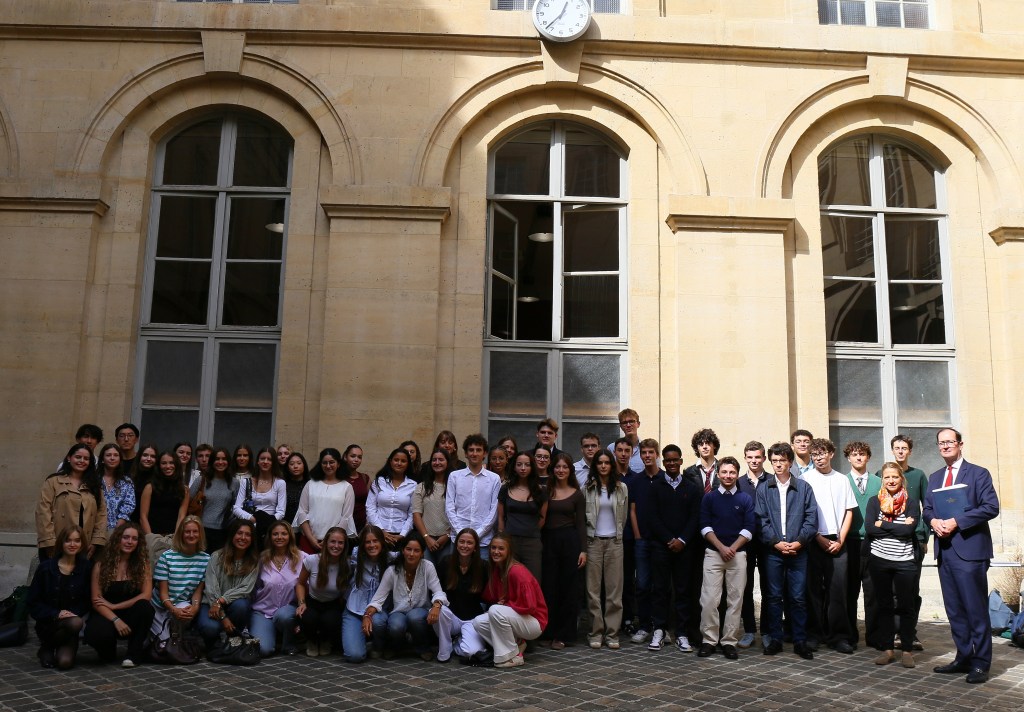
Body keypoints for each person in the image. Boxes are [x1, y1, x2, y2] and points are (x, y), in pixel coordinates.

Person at [924, 427, 999, 684]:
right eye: (941, 443)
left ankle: (981, 663)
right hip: (945, 551)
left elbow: (991, 507)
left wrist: (957, 521)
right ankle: (964, 657)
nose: (945, 446)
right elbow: (927, 509)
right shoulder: (934, 478)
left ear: (960, 444)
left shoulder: (978, 474)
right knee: (954, 610)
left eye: (950, 442)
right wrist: (933, 521)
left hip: (970, 551)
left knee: (975, 610)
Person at [755, 442, 818, 660]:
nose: (778, 464)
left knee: (798, 597)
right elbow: (760, 520)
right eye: (774, 461)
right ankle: (775, 639)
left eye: (782, 460)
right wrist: (775, 542)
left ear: (790, 462)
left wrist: (799, 542)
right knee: (773, 597)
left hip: (798, 551)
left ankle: (800, 641)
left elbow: (811, 519)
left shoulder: (803, 488)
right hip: (773, 552)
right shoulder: (764, 488)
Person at [645, 444, 702, 653]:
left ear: (680, 461)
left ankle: (682, 633)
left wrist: (682, 540)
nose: (670, 463)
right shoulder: (655, 486)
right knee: (660, 589)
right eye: (667, 460)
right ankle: (659, 630)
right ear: (663, 461)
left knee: (683, 591)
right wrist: (669, 539)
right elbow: (652, 517)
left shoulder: (691, 487)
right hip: (661, 546)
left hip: (684, 548)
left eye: (674, 460)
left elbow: (695, 517)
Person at [697, 456, 755, 660]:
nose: (728, 476)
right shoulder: (710, 498)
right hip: (713, 554)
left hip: (738, 555)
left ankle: (729, 641)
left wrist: (732, 548)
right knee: (710, 600)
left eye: (732, 472)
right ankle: (709, 640)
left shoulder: (745, 499)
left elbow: (749, 528)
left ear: (737, 474)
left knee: (735, 600)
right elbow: (704, 526)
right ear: (718, 474)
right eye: (724, 472)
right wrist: (721, 547)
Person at [802, 437, 857, 653]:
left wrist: (841, 539)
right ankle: (813, 634)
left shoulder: (842, 479)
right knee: (813, 590)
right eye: (815, 455)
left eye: (822, 453)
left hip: (838, 539)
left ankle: (838, 636)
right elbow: (805, 514)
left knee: (838, 590)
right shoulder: (806, 479)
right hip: (813, 539)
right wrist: (818, 537)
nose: (819, 458)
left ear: (831, 454)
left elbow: (849, 510)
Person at [866, 463, 921, 668]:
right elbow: (870, 529)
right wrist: (898, 525)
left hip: (904, 561)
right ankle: (887, 649)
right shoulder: (874, 502)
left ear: (901, 479)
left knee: (906, 606)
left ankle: (907, 650)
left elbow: (908, 532)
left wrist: (884, 524)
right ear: (882, 480)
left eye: (895, 477)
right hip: (879, 560)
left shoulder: (912, 503)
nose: (891, 481)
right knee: (884, 605)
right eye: (887, 477)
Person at [363, 531, 447, 660]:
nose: (411, 554)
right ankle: (396, 647)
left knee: (415, 617)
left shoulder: (428, 567)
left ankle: (422, 647)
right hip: (398, 611)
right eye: (408, 549)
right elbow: (378, 598)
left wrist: (436, 605)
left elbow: (438, 591)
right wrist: (368, 615)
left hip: (420, 610)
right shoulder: (392, 570)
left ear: (422, 553)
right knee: (396, 625)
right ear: (403, 550)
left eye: (416, 550)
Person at [471, 533, 548, 668]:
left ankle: (513, 657)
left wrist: (506, 605)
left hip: (534, 621)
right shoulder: (497, 570)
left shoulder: (517, 572)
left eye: (501, 548)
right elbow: (492, 596)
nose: (496, 552)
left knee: (495, 610)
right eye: (493, 548)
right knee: (479, 622)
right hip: (518, 618)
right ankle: (516, 645)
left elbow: (530, 606)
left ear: (509, 551)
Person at [85, 521, 154, 667]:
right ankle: (107, 651)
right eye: (126, 537)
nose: (130, 542)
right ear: (117, 539)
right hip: (106, 614)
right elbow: (96, 600)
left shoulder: (142, 565)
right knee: (96, 633)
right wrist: (115, 618)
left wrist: (116, 606)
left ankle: (133, 654)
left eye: (134, 539)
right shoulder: (100, 565)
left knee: (145, 608)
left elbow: (146, 595)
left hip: (130, 613)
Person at [882, 433, 928, 652]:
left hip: (913, 540)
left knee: (911, 589)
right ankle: (893, 632)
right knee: (890, 591)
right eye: (896, 448)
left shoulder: (918, 476)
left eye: (904, 448)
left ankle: (910, 632)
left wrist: (924, 536)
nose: (900, 451)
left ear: (909, 451)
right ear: (892, 450)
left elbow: (927, 507)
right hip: (890, 540)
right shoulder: (884, 474)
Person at [28, 525, 92, 669]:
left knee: (64, 663)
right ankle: (46, 647)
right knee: (76, 622)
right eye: (68, 540)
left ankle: (47, 647)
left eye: (77, 540)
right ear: (61, 543)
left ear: (82, 544)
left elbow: (87, 600)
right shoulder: (45, 568)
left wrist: (72, 613)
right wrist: (56, 613)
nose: (72, 544)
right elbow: (32, 602)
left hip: (71, 627)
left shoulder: (86, 567)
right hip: (48, 624)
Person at [583, 450, 628, 649]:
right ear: (595, 466)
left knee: (614, 591)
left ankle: (612, 633)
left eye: (606, 462)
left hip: (615, 542)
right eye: (599, 463)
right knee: (593, 591)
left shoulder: (622, 488)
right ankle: (595, 632)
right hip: (593, 542)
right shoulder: (588, 488)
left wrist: (617, 536)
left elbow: (624, 517)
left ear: (612, 465)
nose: (603, 466)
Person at [541, 452, 586, 649]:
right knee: (549, 587)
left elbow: (581, 524)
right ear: (553, 469)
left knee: (569, 589)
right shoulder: (545, 492)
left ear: (570, 470)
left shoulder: (577, 494)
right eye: (558, 467)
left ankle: (563, 635)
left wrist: (583, 550)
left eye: (565, 467)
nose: (561, 470)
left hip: (569, 542)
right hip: (548, 541)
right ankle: (547, 632)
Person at [36, 444, 108, 562]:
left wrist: (96, 541)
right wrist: (49, 542)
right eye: (78, 457)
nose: (82, 461)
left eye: (86, 459)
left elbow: (101, 515)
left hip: (85, 546)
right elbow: (43, 512)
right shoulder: (53, 481)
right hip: (57, 544)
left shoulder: (95, 486)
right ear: (69, 458)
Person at [843, 440, 882, 650]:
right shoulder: (842, 481)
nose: (858, 458)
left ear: (868, 457)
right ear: (848, 458)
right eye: (854, 455)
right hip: (849, 542)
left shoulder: (879, 482)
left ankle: (874, 636)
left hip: (873, 542)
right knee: (849, 591)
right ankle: (849, 635)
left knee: (873, 591)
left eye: (862, 454)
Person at [197, 519, 259, 646]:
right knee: (210, 629)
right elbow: (211, 587)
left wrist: (221, 601)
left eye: (247, 534)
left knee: (241, 605)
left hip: (233, 605)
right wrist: (222, 616)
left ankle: (233, 639)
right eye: (239, 533)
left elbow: (245, 588)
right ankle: (213, 643)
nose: (243, 537)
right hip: (210, 603)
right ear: (232, 535)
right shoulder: (216, 556)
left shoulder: (254, 561)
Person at [627, 438, 663, 646]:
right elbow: (632, 510)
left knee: (661, 585)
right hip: (642, 540)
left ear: (657, 454)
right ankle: (644, 626)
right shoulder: (636, 481)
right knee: (641, 584)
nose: (647, 456)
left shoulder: (666, 478)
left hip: (661, 541)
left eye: (651, 452)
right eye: (644, 453)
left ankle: (661, 625)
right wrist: (638, 535)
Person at [150, 515, 209, 641]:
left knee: (185, 612)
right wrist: (173, 609)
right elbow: (163, 593)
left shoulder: (205, 559)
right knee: (163, 643)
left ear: (200, 534)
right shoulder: (167, 557)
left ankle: (175, 634)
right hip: (160, 605)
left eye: (195, 531)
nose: (191, 535)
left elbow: (197, 592)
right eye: (187, 531)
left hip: (181, 605)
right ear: (181, 534)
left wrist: (195, 608)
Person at [433, 528, 488, 662]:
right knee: (440, 611)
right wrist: (436, 605)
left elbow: (488, 595)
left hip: (472, 618)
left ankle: (457, 642)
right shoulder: (446, 562)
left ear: (475, 547)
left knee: (471, 652)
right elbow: (436, 590)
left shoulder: (483, 566)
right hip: (450, 618)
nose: (465, 546)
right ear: (456, 544)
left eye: (469, 543)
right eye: (461, 542)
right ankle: (444, 650)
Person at [249, 521, 303, 656]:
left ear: (290, 536)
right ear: (270, 537)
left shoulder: (302, 558)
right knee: (263, 650)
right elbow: (253, 587)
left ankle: (289, 644)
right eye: (275, 534)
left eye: (284, 534)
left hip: (288, 610)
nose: (279, 537)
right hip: (263, 610)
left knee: (284, 616)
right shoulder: (261, 559)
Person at [296, 527, 349, 656]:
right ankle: (312, 641)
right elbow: (300, 584)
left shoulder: (347, 564)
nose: (336, 546)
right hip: (313, 601)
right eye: (332, 542)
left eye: (340, 543)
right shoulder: (312, 560)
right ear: (325, 543)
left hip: (333, 603)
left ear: (344, 545)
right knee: (308, 618)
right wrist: (301, 602)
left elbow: (344, 591)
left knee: (331, 620)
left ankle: (326, 640)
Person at [445, 434, 501, 557]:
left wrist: (477, 534)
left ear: (485, 453)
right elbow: (449, 508)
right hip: (457, 541)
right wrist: (462, 535)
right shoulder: (454, 476)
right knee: (454, 575)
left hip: (483, 542)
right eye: (471, 450)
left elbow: (493, 511)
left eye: (478, 450)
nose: (474, 454)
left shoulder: (494, 479)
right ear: (465, 453)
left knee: (481, 576)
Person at [737, 440, 770, 649]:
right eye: (750, 457)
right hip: (745, 543)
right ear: (745, 458)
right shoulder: (738, 482)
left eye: (758, 457)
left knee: (769, 587)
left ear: (764, 458)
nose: (754, 461)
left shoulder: (773, 480)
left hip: (768, 542)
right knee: (745, 587)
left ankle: (767, 630)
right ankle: (749, 630)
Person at [294, 447, 356, 553]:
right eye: (324, 463)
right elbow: (302, 511)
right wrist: (311, 538)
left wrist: (329, 539)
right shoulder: (310, 484)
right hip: (308, 540)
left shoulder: (347, 487)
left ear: (338, 464)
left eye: (331, 462)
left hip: (334, 543)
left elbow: (346, 517)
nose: (328, 466)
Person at [342, 525, 390, 663]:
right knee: (355, 656)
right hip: (354, 608)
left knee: (379, 621)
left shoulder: (390, 558)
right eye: (367, 542)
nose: (372, 545)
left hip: (379, 611)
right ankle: (361, 643)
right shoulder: (357, 555)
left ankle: (378, 646)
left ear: (381, 542)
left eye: (375, 541)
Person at [497, 451, 547, 581]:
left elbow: (542, 518)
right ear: (514, 466)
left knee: (532, 579)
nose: (523, 468)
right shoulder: (505, 488)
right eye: (519, 464)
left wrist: (530, 530)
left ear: (532, 467)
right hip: (509, 541)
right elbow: (501, 517)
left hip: (532, 542)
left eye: (527, 465)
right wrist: (502, 537)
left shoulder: (540, 490)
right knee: (509, 579)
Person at [140, 451, 189, 566]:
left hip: (173, 537)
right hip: (152, 536)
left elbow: (182, 515)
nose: (168, 466)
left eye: (171, 463)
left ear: (176, 465)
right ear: (159, 466)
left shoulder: (184, 489)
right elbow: (143, 516)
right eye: (164, 463)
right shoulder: (150, 487)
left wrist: (176, 538)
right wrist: (151, 538)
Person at [232, 446, 286, 546]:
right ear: (257, 461)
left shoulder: (280, 483)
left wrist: (269, 522)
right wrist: (252, 519)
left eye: (269, 459)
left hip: (270, 528)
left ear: (273, 462)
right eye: (262, 458)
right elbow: (236, 508)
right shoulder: (246, 482)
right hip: (249, 527)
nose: (265, 461)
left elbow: (281, 511)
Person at [366, 448, 417, 549]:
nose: (399, 463)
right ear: (390, 461)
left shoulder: (413, 485)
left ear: (408, 464)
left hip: (401, 534)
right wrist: (381, 531)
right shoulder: (379, 481)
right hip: (378, 533)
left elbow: (413, 513)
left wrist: (402, 534)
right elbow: (370, 507)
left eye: (403, 461)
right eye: (396, 460)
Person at [413, 449, 454, 563]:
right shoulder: (421, 487)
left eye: (441, 459)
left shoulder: (454, 487)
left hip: (448, 540)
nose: (437, 462)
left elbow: (460, 513)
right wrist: (427, 538)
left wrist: (447, 536)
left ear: (447, 462)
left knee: (446, 576)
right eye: (434, 460)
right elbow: (416, 515)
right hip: (426, 540)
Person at [98, 443, 135, 531]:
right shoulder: (94, 480)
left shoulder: (127, 482)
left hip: (118, 530)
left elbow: (128, 505)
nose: (112, 458)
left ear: (120, 459)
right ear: (102, 459)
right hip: (96, 528)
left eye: (116, 455)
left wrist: (116, 530)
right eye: (108, 455)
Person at [340, 444, 371, 535]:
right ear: (345, 457)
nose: (356, 460)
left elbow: (371, 504)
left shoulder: (365, 478)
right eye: (352, 456)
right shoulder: (337, 478)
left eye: (359, 457)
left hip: (361, 527)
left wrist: (367, 523)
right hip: (340, 526)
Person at [128, 444, 159, 522]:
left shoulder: (159, 480)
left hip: (153, 523)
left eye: (152, 456)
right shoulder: (129, 478)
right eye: (145, 455)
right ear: (139, 457)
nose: (148, 459)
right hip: (131, 522)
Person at [607, 408, 644, 472]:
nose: (628, 425)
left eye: (631, 421)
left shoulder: (646, 449)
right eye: (624, 422)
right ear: (620, 426)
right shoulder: (611, 448)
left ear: (638, 424)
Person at [282, 451, 310, 527]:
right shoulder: (283, 484)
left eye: (299, 463)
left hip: (305, 526)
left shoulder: (310, 484)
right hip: (285, 525)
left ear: (304, 465)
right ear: (287, 467)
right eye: (292, 464)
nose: (295, 466)